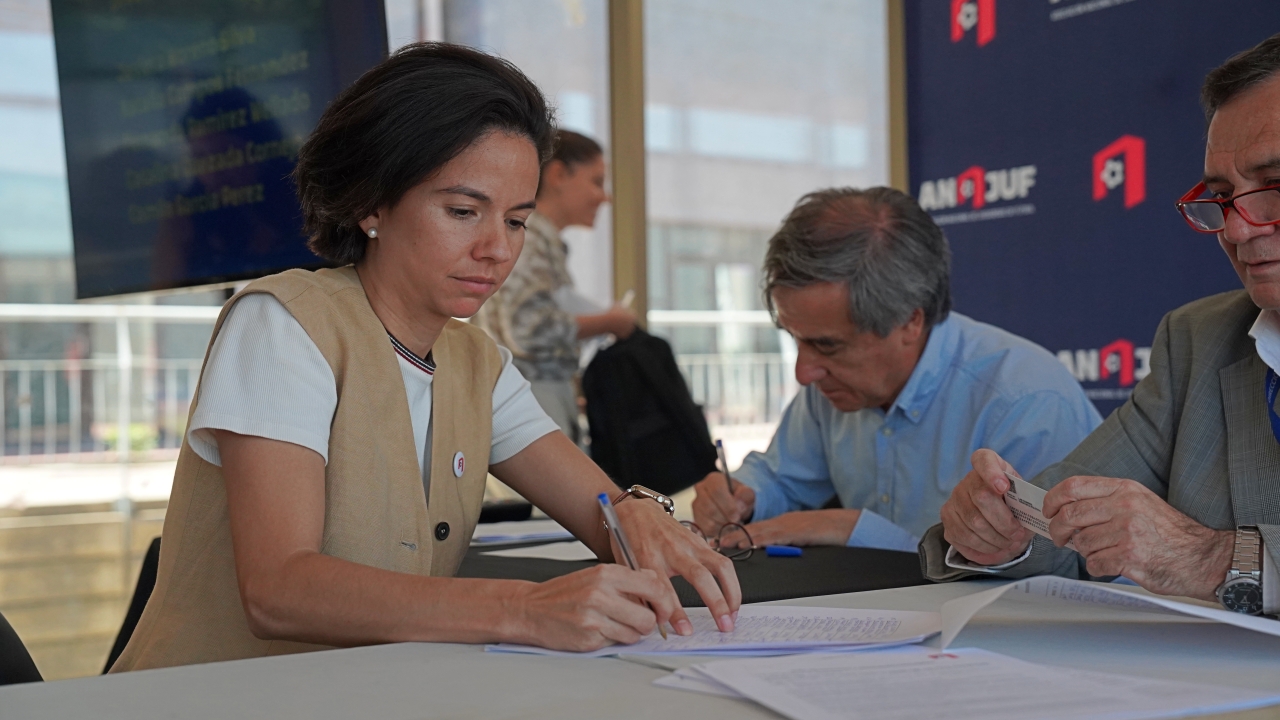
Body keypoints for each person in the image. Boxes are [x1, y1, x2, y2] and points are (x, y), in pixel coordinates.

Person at [110, 43, 740, 673]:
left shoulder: (476, 363)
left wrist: (636, 515)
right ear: (371, 204)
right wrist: (524, 608)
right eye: (463, 212)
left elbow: (602, 513)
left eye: (516, 221)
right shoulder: (285, 323)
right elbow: (278, 590)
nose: (496, 249)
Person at [923, 34, 1280, 617]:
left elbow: (1196, 558)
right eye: (1222, 196)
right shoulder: (1198, 341)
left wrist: (1212, 559)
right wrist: (998, 531)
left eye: (1274, 186)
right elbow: (1060, 521)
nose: (1238, 229)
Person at [691, 187, 1101, 553]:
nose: (804, 372)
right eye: (794, 339)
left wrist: (854, 529)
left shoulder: (1025, 403)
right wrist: (743, 496)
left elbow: (1049, 569)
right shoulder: (831, 386)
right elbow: (782, 479)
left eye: (827, 345)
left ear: (910, 322)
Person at [471, 130, 636, 443]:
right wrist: (610, 322)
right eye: (597, 181)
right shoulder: (529, 239)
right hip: (527, 398)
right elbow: (524, 328)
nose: (605, 197)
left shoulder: (541, 241)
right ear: (559, 175)